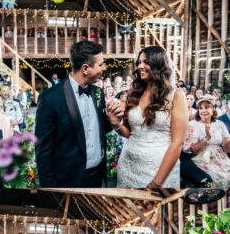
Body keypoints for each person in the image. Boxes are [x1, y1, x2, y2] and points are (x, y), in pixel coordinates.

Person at [35, 40, 122, 187]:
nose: (104, 68)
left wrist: (113, 121)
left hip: (96, 176)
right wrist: (50, 188)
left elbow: (96, 130)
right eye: (100, 64)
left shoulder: (98, 92)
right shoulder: (50, 99)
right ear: (85, 68)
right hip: (67, 179)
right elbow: (43, 150)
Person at [108, 46, 188, 188]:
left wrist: (157, 182)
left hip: (159, 170)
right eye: (139, 62)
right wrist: (116, 124)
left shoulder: (176, 95)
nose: (140, 66)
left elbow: (177, 143)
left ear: (158, 64)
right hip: (128, 165)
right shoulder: (134, 92)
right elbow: (130, 133)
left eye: (146, 62)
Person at [183, 95, 230, 187]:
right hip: (201, 158)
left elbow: (227, 149)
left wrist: (228, 142)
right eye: (201, 108)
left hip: (221, 158)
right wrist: (206, 138)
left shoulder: (220, 124)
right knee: (214, 181)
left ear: (213, 110)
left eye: (207, 108)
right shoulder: (192, 125)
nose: (203, 110)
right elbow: (193, 151)